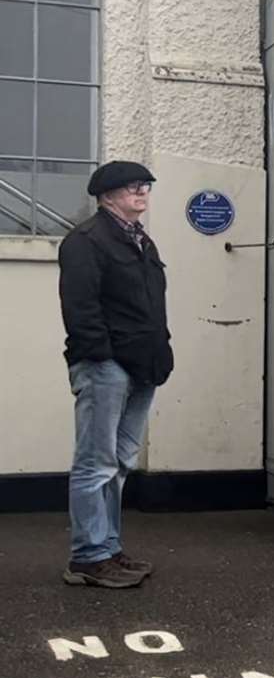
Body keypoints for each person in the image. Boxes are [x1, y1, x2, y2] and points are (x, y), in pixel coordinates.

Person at [56, 161, 170, 589]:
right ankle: (87, 556)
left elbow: (150, 307)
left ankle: (108, 547)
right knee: (95, 462)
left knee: (119, 462)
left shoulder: (142, 242)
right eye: (132, 188)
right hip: (106, 367)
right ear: (107, 196)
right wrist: (104, 359)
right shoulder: (85, 241)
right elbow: (81, 311)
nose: (142, 193)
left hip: (143, 367)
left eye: (145, 187)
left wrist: (161, 353)